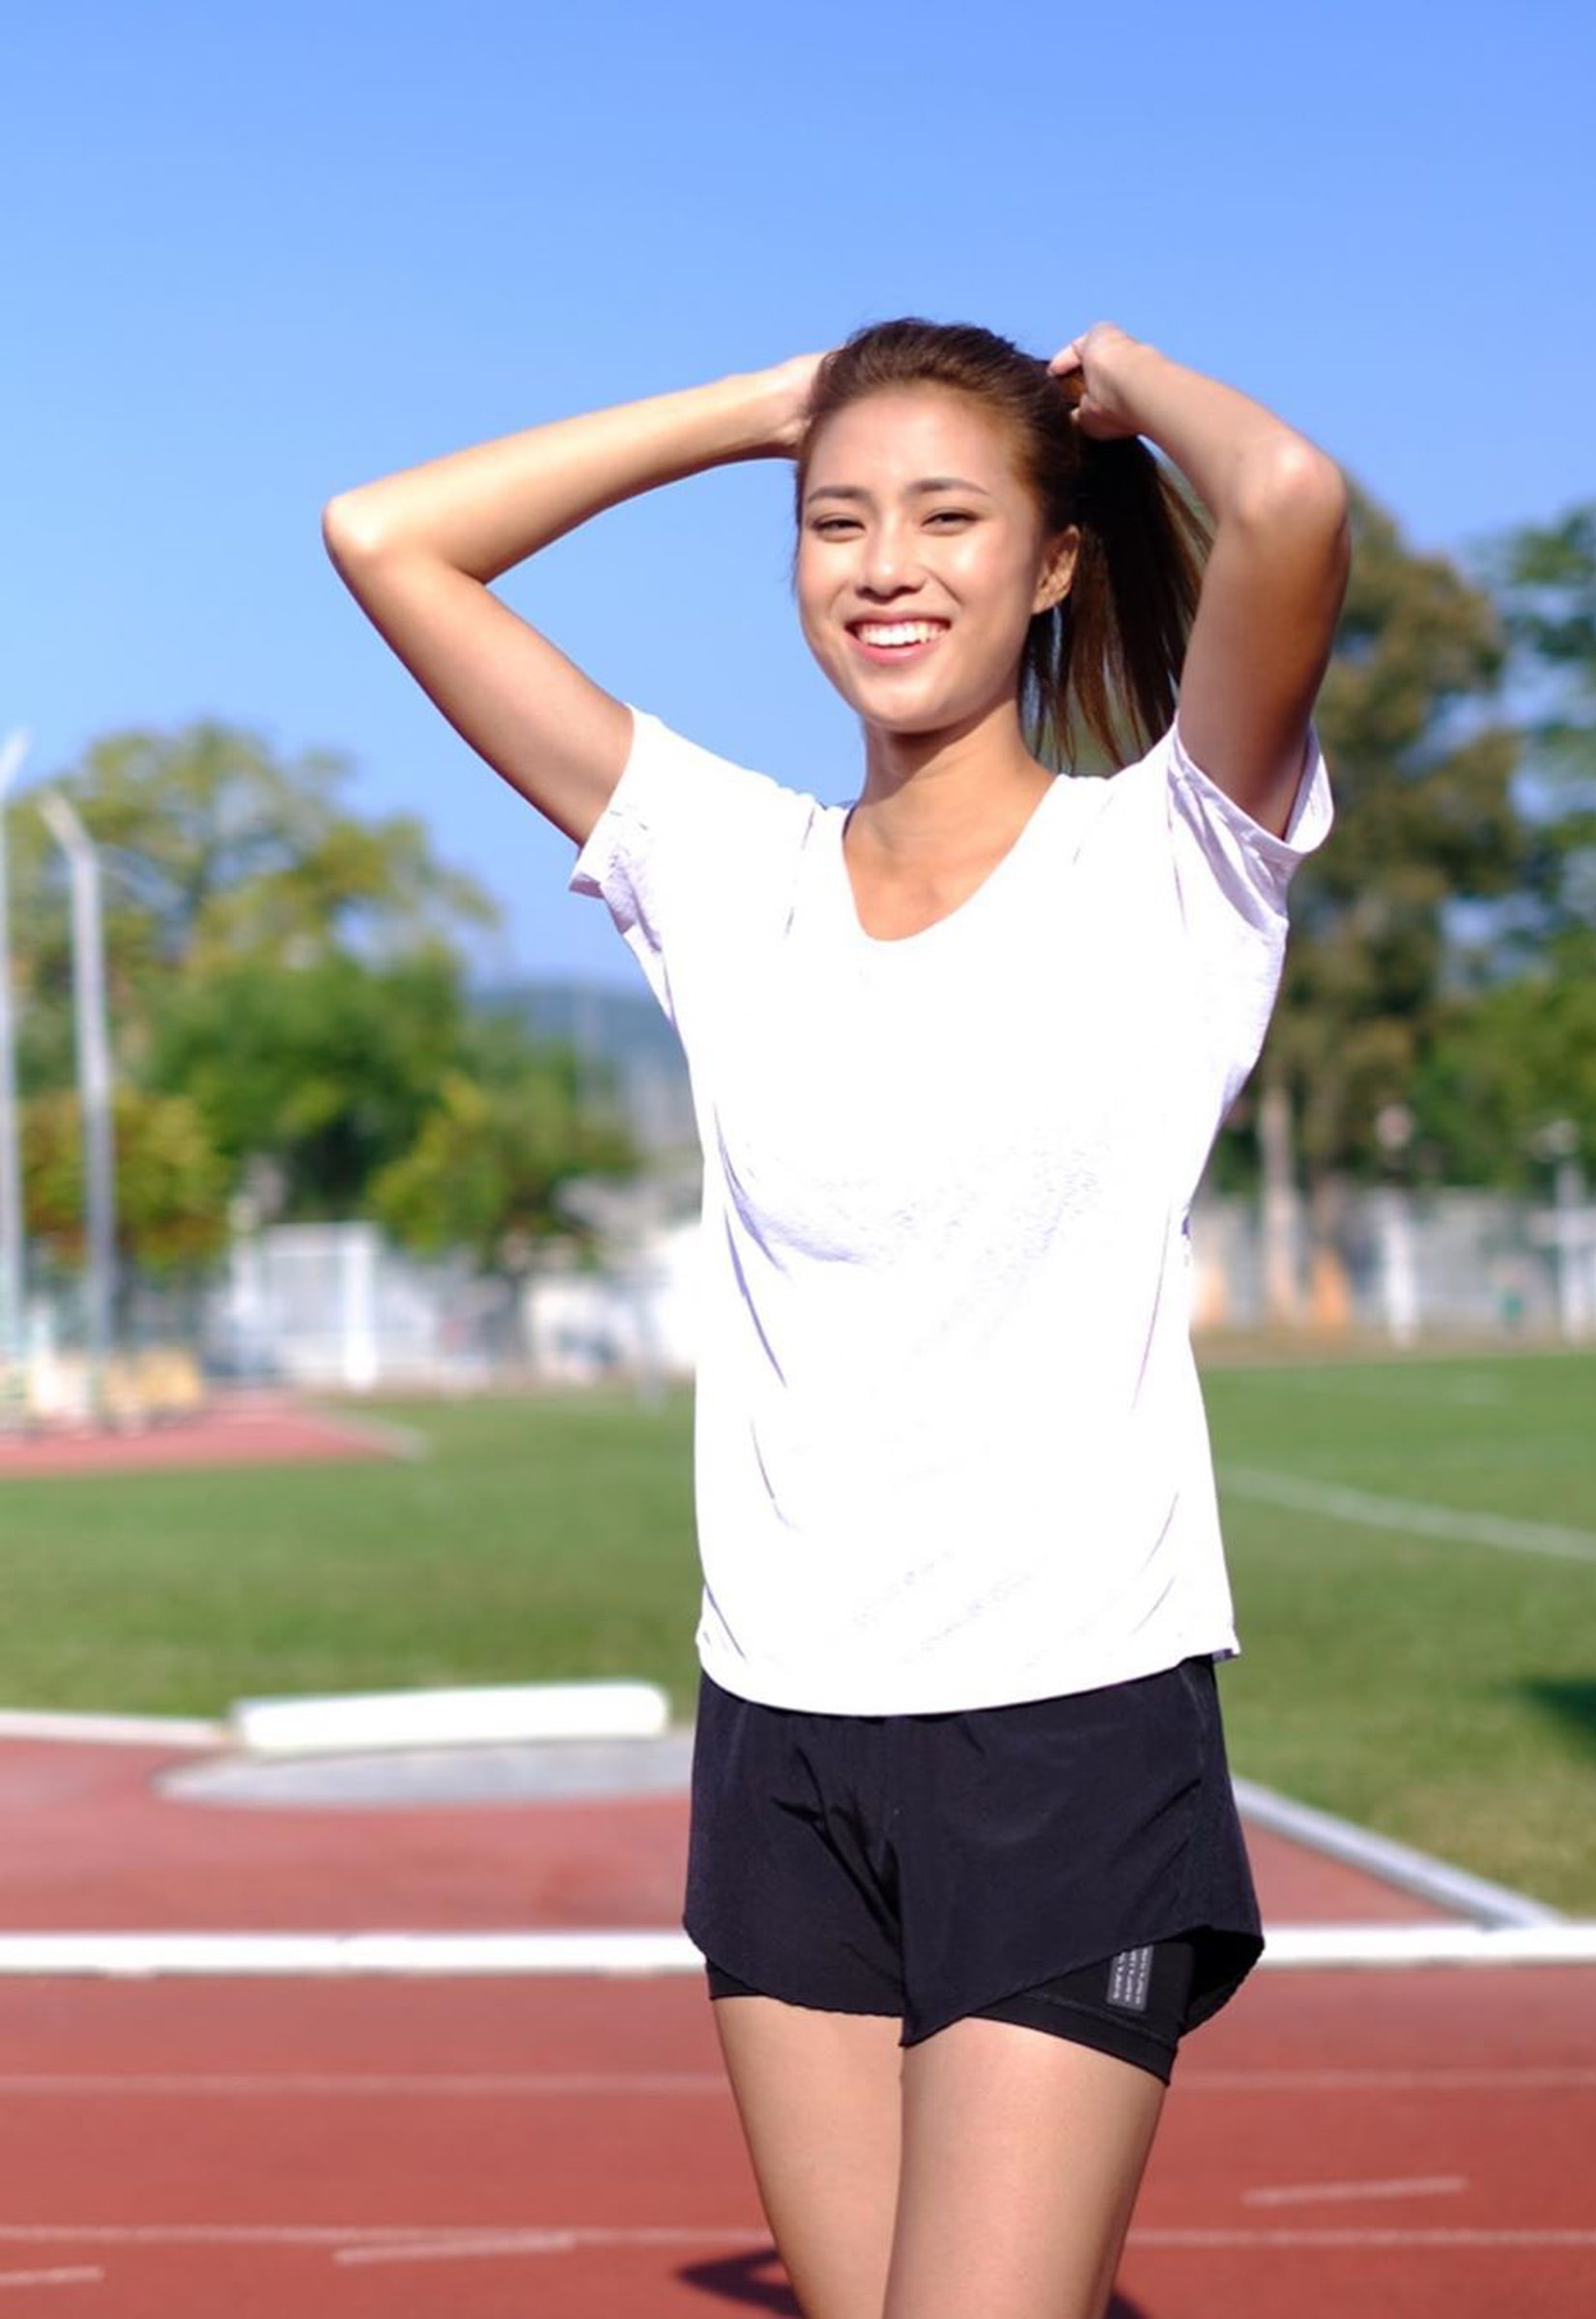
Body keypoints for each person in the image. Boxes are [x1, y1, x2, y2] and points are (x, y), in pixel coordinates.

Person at [323, 316, 1349, 2319]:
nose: (886, 565)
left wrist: (1123, 382)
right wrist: (751, 411)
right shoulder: (729, 872)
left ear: (1054, 560)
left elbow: (1292, 501)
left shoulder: (1172, 855)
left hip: (1067, 1733)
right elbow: (387, 537)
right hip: (782, 1737)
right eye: (837, 519)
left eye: (950, 518)